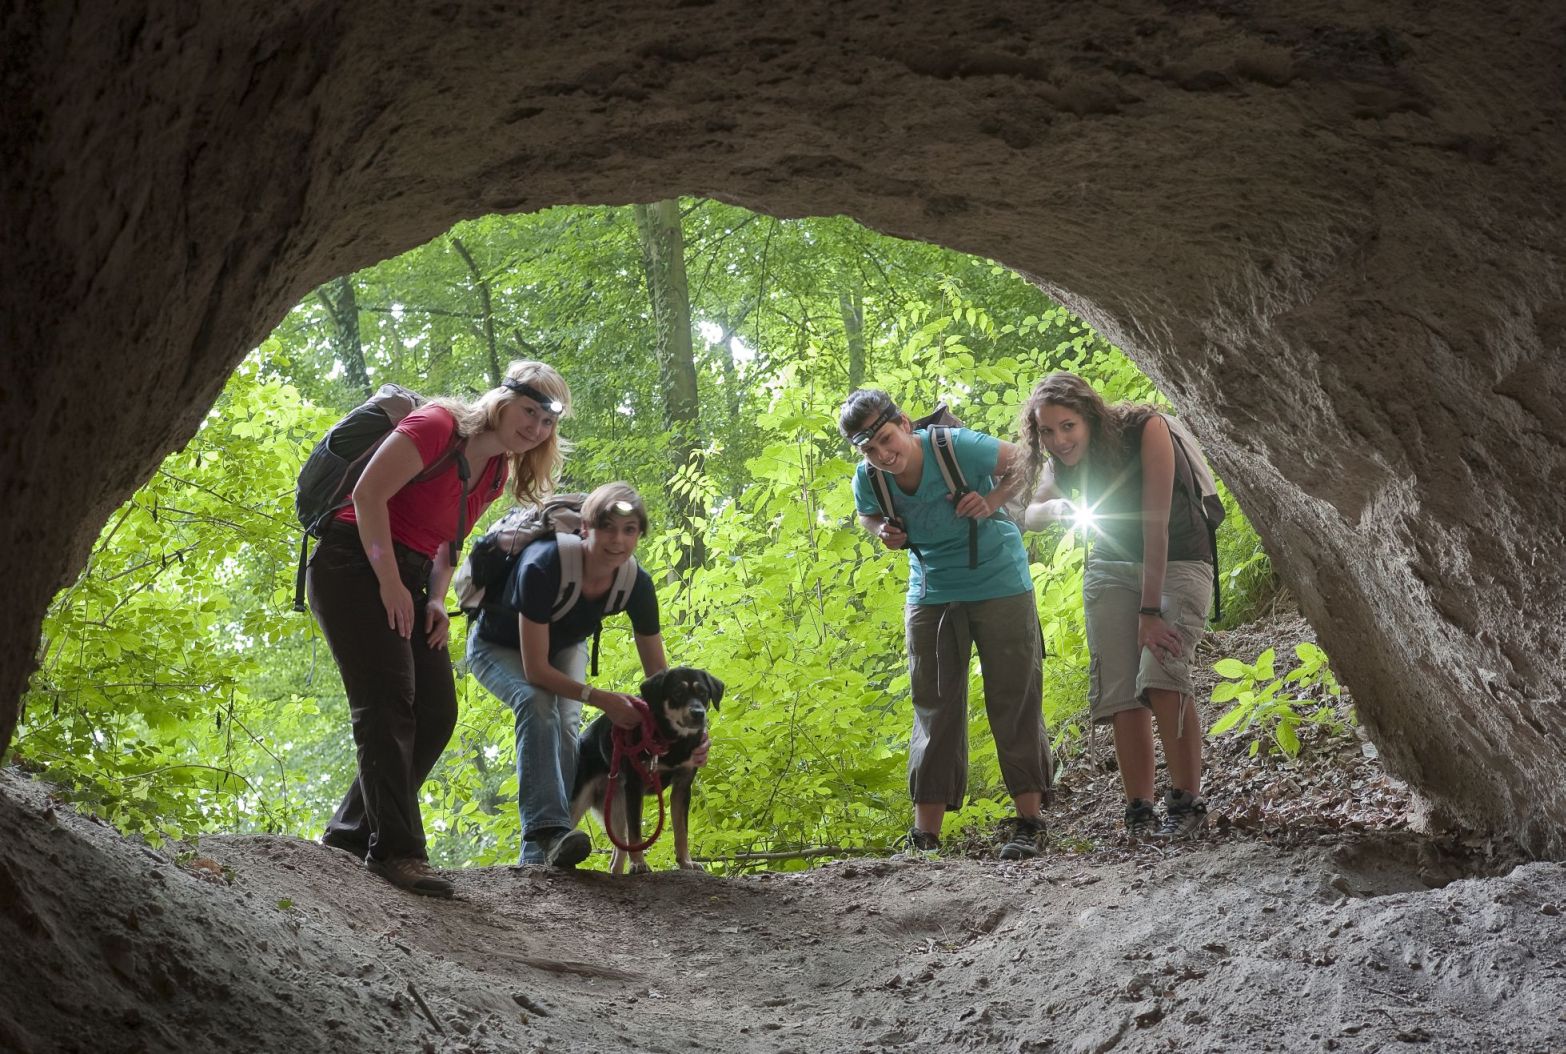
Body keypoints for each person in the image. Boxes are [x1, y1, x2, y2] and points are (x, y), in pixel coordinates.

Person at [310, 360, 571, 897]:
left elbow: (447, 543)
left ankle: (350, 835)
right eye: (529, 412)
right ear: (503, 399)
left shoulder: (495, 471)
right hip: (351, 563)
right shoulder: (436, 426)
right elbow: (366, 497)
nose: (535, 429)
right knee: (387, 699)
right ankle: (398, 852)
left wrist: (434, 598)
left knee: (436, 711)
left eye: (547, 423)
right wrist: (388, 581)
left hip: (407, 577)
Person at [839, 390, 1052, 861]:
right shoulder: (869, 478)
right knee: (934, 706)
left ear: (905, 423)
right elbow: (867, 514)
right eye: (870, 451)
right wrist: (882, 533)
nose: (883, 455)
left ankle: (1030, 822)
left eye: (887, 439)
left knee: (1013, 698)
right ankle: (925, 838)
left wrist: (992, 499)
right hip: (932, 592)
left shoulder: (956, 446)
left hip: (1000, 583)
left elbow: (1026, 460)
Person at [1017, 371, 1214, 842]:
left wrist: (1149, 613)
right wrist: (1059, 510)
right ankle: (1139, 810)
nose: (1058, 440)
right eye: (1046, 431)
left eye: (1067, 426)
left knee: (1163, 673)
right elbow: (1029, 511)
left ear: (1089, 416)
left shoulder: (1147, 428)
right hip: (1110, 565)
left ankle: (1187, 803)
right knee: (1121, 689)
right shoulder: (1061, 460)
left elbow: (1156, 527)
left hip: (1178, 559)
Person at [466, 482, 694, 868]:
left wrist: (687, 735)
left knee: (568, 723)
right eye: (607, 528)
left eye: (629, 530)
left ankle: (560, 838)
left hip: (564, 645)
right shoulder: (543, 565)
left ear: (640, 534)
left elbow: (659, 676)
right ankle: (542, 841)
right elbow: (536, 669)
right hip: (497, 647)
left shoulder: (636, 584)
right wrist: (601, 697)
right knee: (537, 703)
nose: (617, 541)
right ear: (585, 528)